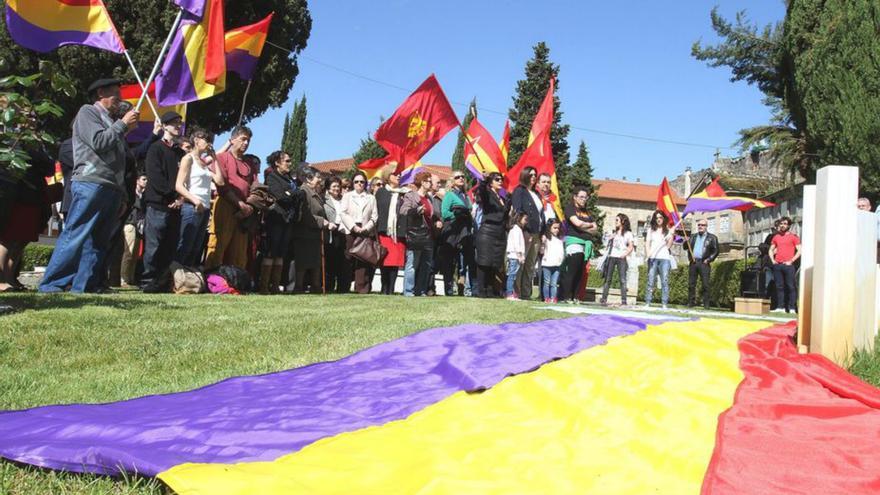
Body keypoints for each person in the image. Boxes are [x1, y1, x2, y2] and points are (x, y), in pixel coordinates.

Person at [39, 78, 139, 293]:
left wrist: (121, 194)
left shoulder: (112, 122)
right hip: (90, 183)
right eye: (115, 96)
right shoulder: (88, 112)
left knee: (99, 241)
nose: (120, 102)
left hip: (111, 188)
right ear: (100, 93)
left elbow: (120, 163)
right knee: (76, 233)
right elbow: (100, 142)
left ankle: (86, 285)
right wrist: (122, 124)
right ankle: (52, 284)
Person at [0, 139, 54, 292]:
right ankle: (1, 279)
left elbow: (50, 168)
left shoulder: (38, 143)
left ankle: (10, 277)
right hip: (17, 195)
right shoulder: (15, 139)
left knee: (20, 241)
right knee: (8, 239)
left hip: (34, 195)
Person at [141, 111, 186, 290]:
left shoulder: (179, 153)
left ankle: (162, 281)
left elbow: (185, 178)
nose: (178, 126)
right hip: (158, 203)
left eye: (179, 123)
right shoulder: (156, 148)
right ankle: (147, 281)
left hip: (175, 206)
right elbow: (156, 177)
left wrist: (181, 197)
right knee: (154, 245)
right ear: (165, 126)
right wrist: (172, 195)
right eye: (174, 123)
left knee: (169, 245)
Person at [204, 126, 254, 270]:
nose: (246, 143)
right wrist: (239, 204)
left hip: (244, 211)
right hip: (225, 206)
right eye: (243, 139)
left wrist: (249, 206)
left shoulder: (249, 163)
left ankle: (235, 281)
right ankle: (212, 279)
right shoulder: (221, 158)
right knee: (218, 245)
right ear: (232, 140)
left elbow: (255, 187)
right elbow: (222, 185)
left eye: (248, 141)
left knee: (239, 250)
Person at [174, 128, 222, 268]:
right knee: (185, 244)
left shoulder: (203, 163)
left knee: (196, 247)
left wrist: (215, 158)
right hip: (192, 206)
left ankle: (188, 277)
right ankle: (175, 276)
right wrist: (195, 201)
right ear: (196, 140)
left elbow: (219, 181)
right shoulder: (188, 158)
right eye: (206, 140)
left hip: (205, 208)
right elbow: (179, 185)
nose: (208, 143)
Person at [260, 151, 299, 293]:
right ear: (277, 162)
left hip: (288, 220)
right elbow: (281, 197)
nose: (290, 164)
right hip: (275, 219)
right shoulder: (272, 177)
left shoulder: (290, 179)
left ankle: (275, 286)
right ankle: (264, 286)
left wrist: (291, 193)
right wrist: (293, 193)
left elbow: (294, 196)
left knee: (281, 253)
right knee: (271, 251)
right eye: (287, 161)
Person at [291, 166, 330, 293]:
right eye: (317, 177)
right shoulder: (303, 192)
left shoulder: (316, 193)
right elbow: (305, 214)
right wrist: (322, 222)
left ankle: (316, 286)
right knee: (303, 262)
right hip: (304, 234)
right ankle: (299, 287)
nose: (320, 180)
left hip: (314, 234)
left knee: (315, 262)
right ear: (308, 179)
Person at [400, 171, 437, 297]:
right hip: (416, 234)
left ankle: (420, 290)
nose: (431, 183)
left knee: (426, 265)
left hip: (428, 235)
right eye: (429, 181)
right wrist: (416, 210)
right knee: (412, 264)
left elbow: (431, 215)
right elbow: (403, 210)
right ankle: (409, 291)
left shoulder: (429, 198)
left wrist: (437, 221)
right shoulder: (411, 196)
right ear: (422, 182)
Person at [340, 172, 378, 293]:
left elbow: (374, 216)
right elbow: (343, 213)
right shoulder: (348, 196)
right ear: (353, 183)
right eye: (356, 182)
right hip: (350, 229)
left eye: (362, 182)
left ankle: (361, 288)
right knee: (348, 258)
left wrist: (366, 228)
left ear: (365, 183)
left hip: (365, 229)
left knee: (363, 259)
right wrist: (353, 227)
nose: (359, 184)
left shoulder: (371, 198)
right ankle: (344, 287)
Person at [439, 170, 475, 296]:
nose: (461, 178)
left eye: (462, 176)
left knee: (464, 262)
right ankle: (448, 290)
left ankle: (463, 289)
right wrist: (456, 215)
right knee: (450, 262)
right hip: (452, 231)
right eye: (457, 177)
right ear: (452, 181)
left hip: (465, 231)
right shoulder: (449, 195)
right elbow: (444, 213)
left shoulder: (466, 196)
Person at [558, 187, 597, 302]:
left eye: (586, 197)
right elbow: (577, 223)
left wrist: (584, 226)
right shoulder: (570, 208)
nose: (584, 199)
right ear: (575, 197)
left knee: (581, 270)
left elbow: (595, 229)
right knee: (572, 269)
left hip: (586, 244)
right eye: (581, 197)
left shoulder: (587, 212)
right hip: (574, 241)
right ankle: (566, 296)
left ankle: (576, 296)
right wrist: (588, 225)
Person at [510, 167, 544, 300]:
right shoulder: (520, 191)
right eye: (531, 175)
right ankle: (515, 292)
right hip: (526, 232)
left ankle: (526, 293)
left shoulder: (536, 193)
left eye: (535, 175)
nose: (534, 177)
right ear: (524, 175)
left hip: (537, 233)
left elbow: (540, 214)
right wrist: (525, 230)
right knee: (520, 262)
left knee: (530, 265)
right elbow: (519, 211)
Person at [474, 172, 508, 297]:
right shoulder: (487, 193)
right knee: (484, 262)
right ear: (491, 182)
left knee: (495, 262)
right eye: (497, 179)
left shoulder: (503, 198)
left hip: (500, 232)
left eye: (501, 179)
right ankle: (481, 290)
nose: (500, 181)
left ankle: (490, 289)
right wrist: (483, 181)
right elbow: (481, 191)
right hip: (488, 231)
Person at [374, 169, 408, 295]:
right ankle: (384, 288)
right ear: (388, 176)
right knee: (385, 260)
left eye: (400, 174)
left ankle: (391, 289)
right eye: (395, 174)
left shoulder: (405, 193)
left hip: (399, 233)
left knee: (396, 262)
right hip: (385, 231)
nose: (398, 176)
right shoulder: (381, 192)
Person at [323, 175, 351, 293]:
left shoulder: (344, 199)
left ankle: (342, 287)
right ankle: (329, 286)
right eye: (334, 186)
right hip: (331, 231)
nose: (337, 189)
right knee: (330, 260)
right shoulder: (324, 199)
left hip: (343, 231)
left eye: (338, 186)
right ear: (328, 188)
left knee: (343, 261)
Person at [600, 214, 635, 306]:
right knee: (608, 279)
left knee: (622, 280)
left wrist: (624, 254)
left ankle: (624, 300)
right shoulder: (614, 233)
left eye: (617, 220)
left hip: (621, 258)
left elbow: (631, 246)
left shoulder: (628, 234)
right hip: (612, 256)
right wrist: (609, 239)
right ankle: (603, 299)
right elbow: (606, 243)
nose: (615, 222)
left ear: (622, 221)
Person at [769, 216, 801, 313]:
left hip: (788, 266)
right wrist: (773, 261)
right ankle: (780, 307)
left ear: (789, 226)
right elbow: (771, 249)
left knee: (791, 286)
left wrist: (791, 261)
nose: (782, 225)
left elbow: (799, 250)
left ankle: (792, 307)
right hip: (778, 265)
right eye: (781, 224)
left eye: (785, 224)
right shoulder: (776, 237)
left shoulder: (793, 237)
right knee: (779, 286)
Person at [120, 173, 147, 287]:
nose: (146, 181)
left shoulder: (144, 195)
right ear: (137, 180)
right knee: (129, 252)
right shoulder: (133, 193)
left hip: (140, 225)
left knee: (135, 254)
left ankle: (130, 279)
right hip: (130, 223)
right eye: (144, 179)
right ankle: (123, 279)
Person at [644, 210, 674, 309]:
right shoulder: (650, 230)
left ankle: (664, 303)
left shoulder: (668, 231)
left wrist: (671, 236)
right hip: (653, 258)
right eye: (656, 218)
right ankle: (648, 302)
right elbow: (647, 243)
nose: (658, 220)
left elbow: (669, 246)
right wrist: (648, 253)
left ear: (664, 219)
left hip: (664, 258)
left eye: (660, 218)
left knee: (664, 280)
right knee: (650, 280)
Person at [687, 219, 718, 309]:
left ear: (706, 226)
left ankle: (706, 304)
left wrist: (708, 259)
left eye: (703, 225)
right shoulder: (693, 237)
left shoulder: (712, 238)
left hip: (704, 263)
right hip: (693, 262)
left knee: (705, 284)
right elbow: (686, 247)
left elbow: (716, 251)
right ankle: (691, 302)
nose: (700, 226)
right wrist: (686, 240)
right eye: (699, 225)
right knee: (691, 284)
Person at [506, 212, 528, 300]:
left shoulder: (518, 229)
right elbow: (516, 244)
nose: (526, 222)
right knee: (512, 275)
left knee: (514, 275)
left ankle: (513, 292)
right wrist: (519, 255)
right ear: (519, 219)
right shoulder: (515, 229)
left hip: (516, 256)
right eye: (525, 219)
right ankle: (509, 293)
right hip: (514, 256)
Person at [541, 218, 564, 303]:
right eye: (555, 228)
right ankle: (546, 298)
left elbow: (561, 253)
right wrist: (543, 243)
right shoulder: (546, 239)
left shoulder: (559, 240)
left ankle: (553, 298)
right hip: (547, 264)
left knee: (554, 283)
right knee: (547, 282)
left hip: (556, 265)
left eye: (558, 228)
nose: (557, 230)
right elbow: (541, 251)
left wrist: (560, 261)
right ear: (549, 227)